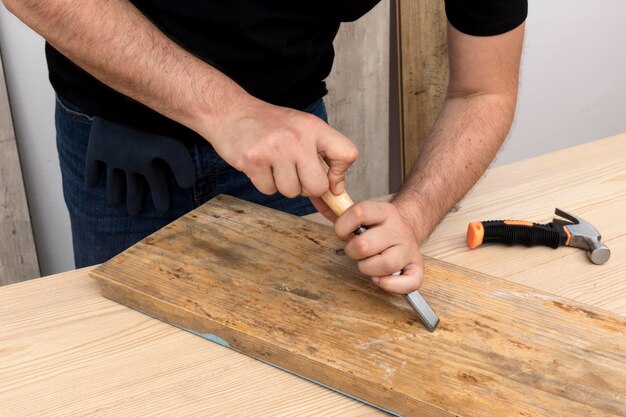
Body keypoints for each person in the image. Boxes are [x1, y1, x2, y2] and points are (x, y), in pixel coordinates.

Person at [3, 0, 526, 295]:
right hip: (124, 153)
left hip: (288, 154)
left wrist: (412, 216)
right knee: (131, 367)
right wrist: (228, 111)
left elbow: (484, 91)